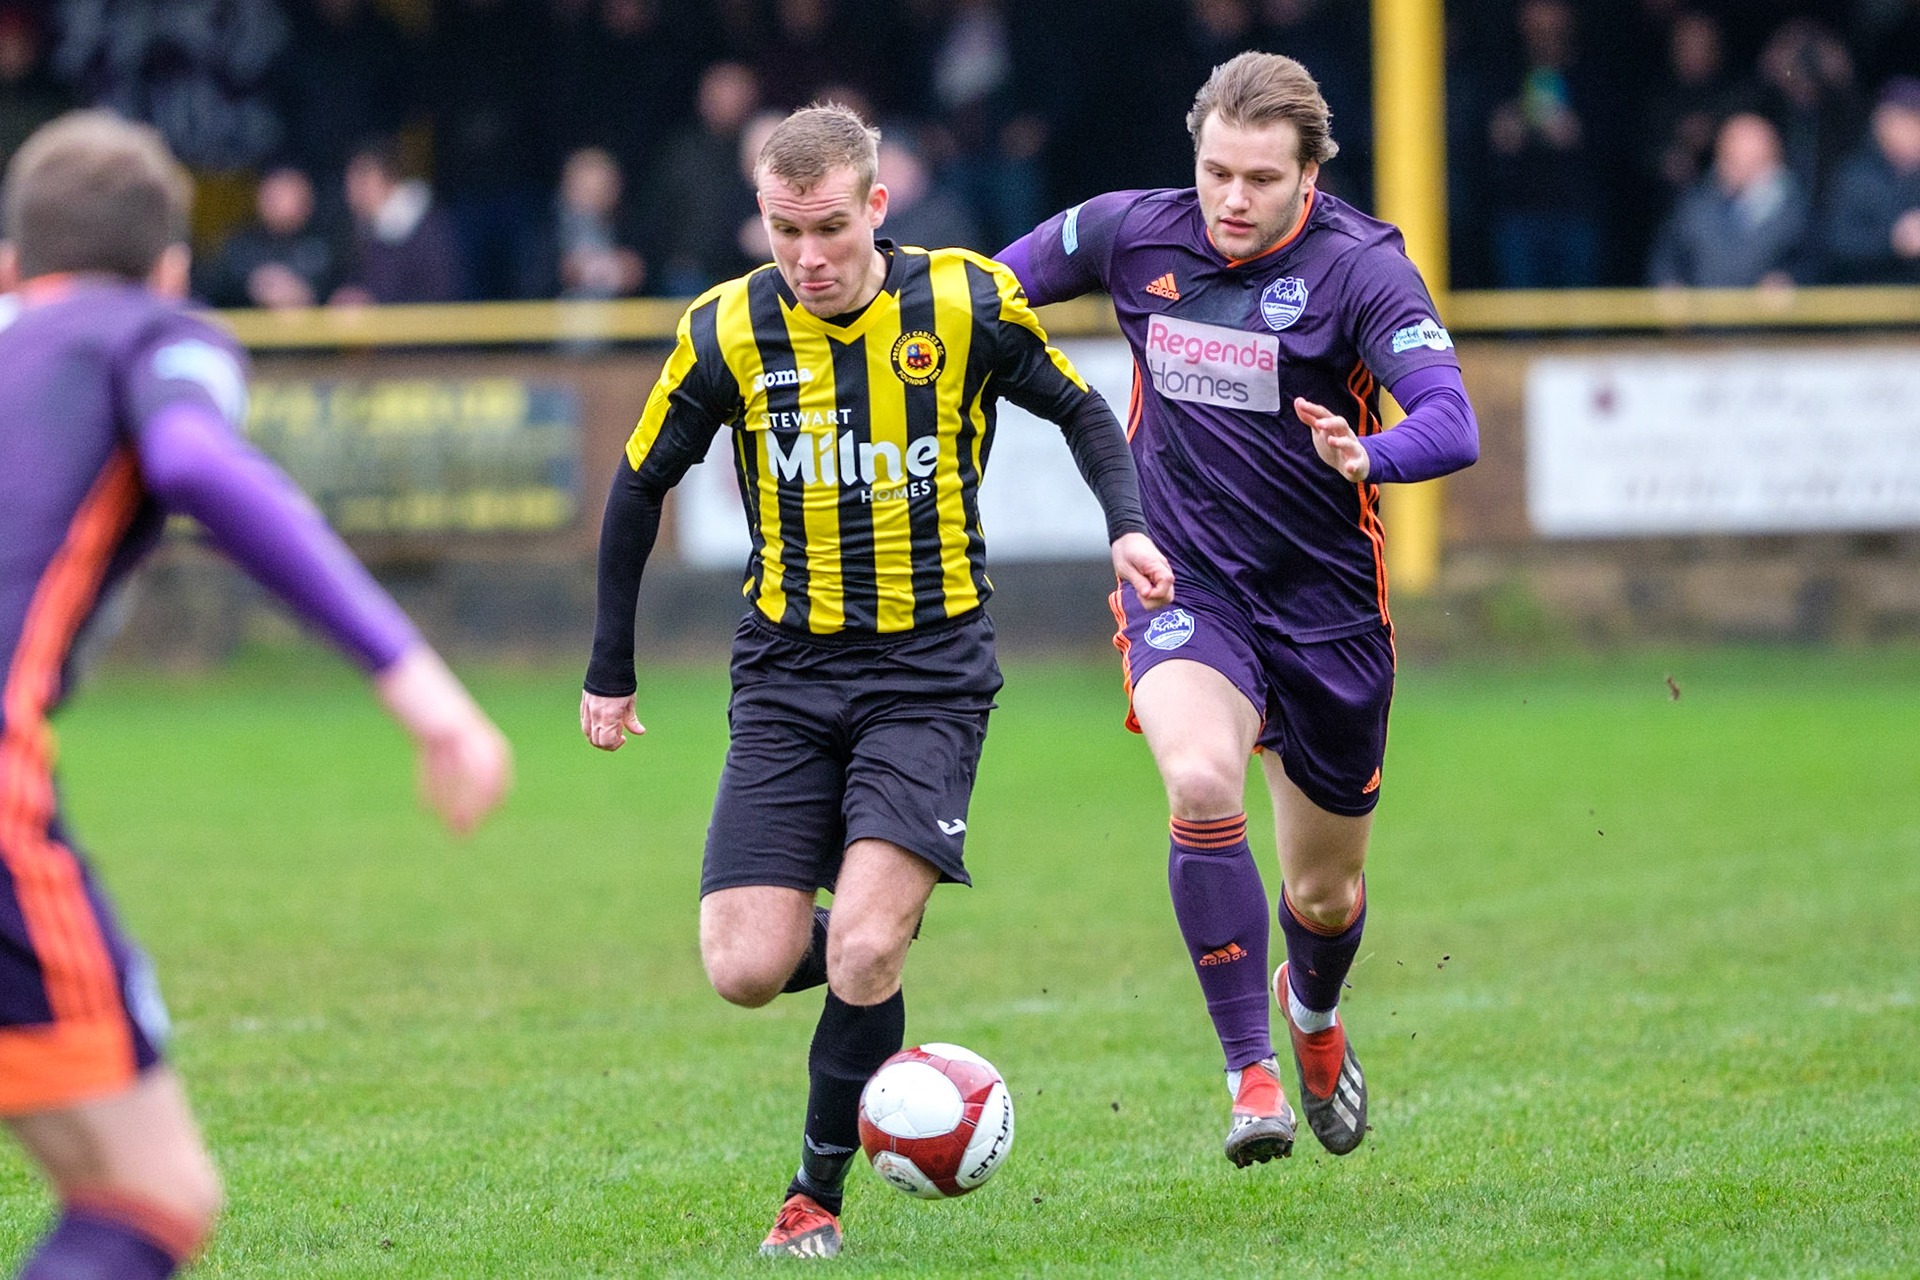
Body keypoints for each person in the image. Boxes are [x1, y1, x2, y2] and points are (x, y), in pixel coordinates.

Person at [580, 103, 1172, 1259]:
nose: (807, 256)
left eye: (830, 229)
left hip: (930, 673)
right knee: (744, 966)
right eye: (783, 229)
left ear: (878, 207)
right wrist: (611, 668)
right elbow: (637, 486)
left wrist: (1128, 526)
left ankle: (812, 1195)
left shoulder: (963, 303)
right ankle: (873, 938)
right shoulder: (727, 330)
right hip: (785, 675)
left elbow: (1086, 410)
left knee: (855, 948)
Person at [0, 111, 511, 1278]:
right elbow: (194, 462)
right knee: (149, 1192)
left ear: (13, 268)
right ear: (173, 265)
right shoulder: (157, 333)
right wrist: (420, 683)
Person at [998, 51, 1479, 1166]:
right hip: (1184, 581)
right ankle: (1249, 1071)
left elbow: (1452, 420)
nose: (1231, 198)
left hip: (1327, 612)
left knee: (1324, 888)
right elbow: (987, 286)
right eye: (1216, 170)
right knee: (1202, 777)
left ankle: (1311, 1016)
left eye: (1261, 177)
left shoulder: (1364, 269)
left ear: (1311, 174)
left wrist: (1372, 452)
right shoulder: (1130, 231)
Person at [1648, 113, 1808, 287]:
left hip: (1766, 313)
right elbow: (1667, 257)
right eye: (1732, 157)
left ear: (1773, 160)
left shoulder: (1797, 211)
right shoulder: (1695, 205)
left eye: (1751, 160)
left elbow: (1814, 263)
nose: (1739, 168)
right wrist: (1669, 284)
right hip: (1703, 311)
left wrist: (1789, 280)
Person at [330, 139, 463, 306]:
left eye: (361, 178)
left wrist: (373, 305)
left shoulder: (427, 230)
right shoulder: (362, 230)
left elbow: (440, 296)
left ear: (388, 178)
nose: (350, 190)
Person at [1824, 76, 1920, 285]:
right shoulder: (1856, 175)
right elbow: (1838, 242)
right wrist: (1893, 240)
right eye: (1899, 120)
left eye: (1914, 120)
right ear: (1880, 122)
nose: (1908, 130)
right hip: (1871, 301)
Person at [200, 165, 337, 309]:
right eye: (272, 194)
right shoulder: (240, 245)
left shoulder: (322, 247)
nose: (277, 202)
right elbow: (213, 294)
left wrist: (302, 294)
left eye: (286, 194)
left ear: (306, 201)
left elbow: (339, 297)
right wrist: (253, 285)